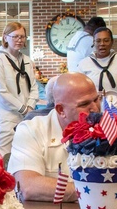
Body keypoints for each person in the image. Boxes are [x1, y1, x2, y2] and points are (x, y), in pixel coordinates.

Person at [8, 72, 101, 201]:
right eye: (84, 104)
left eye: (97, 99)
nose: (95, 108)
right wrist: (98, 191)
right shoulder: (31, 130)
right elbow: (27, 186)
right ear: (61, 110)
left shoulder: (110, 129)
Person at [0, 21, 37, 155]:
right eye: (15, 36)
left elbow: (34, 87)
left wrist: (30, 107)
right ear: (5, 37)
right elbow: (1, 93)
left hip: (26, 116)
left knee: (24, 154)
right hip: (7, 118)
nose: (19, 40)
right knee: (4, 157)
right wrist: (23, 109)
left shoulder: (26, 60)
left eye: (22, 36)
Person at [72, 26, 117, 117]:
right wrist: (92, 97)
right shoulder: (84, 64)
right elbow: (77, 90)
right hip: (94, 114)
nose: (102, 44)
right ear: (93, 42)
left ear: (112, 42)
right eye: (98, 41)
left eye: (106, 40)